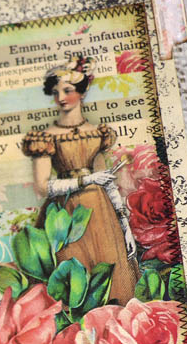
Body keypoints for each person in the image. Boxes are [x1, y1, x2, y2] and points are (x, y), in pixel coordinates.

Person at [21, 56, 139, 303]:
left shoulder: (97, 133)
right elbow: (43, 186)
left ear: (82, 93)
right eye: (56, 92)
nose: (61, 97)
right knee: (72, 276)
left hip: (101, 215)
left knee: (110, 276)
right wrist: (85, 181)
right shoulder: (46, 137)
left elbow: (107, 181)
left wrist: (125, 228)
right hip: (66, 214)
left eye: (67, 90)